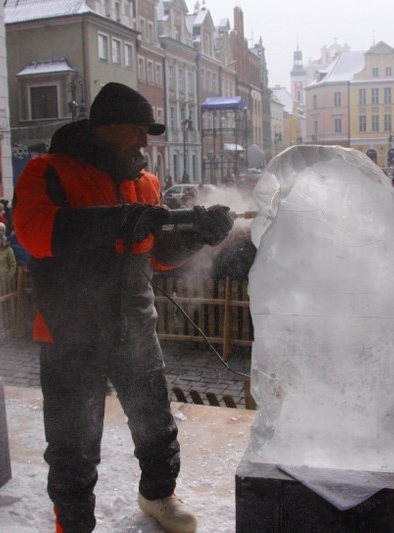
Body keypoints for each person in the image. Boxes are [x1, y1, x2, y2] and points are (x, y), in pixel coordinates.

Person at [13, 82, 233, 533]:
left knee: (156, 427)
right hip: (68, 333)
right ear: (106, 128)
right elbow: (35, 234)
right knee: (72, 445)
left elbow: (159, 254)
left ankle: (158, 495)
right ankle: (72, 525)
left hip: (135, 327)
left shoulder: (145, 182)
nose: (142, 141)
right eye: (136, 130)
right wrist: (117, 220)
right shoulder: (48, 171)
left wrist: (198, 235)